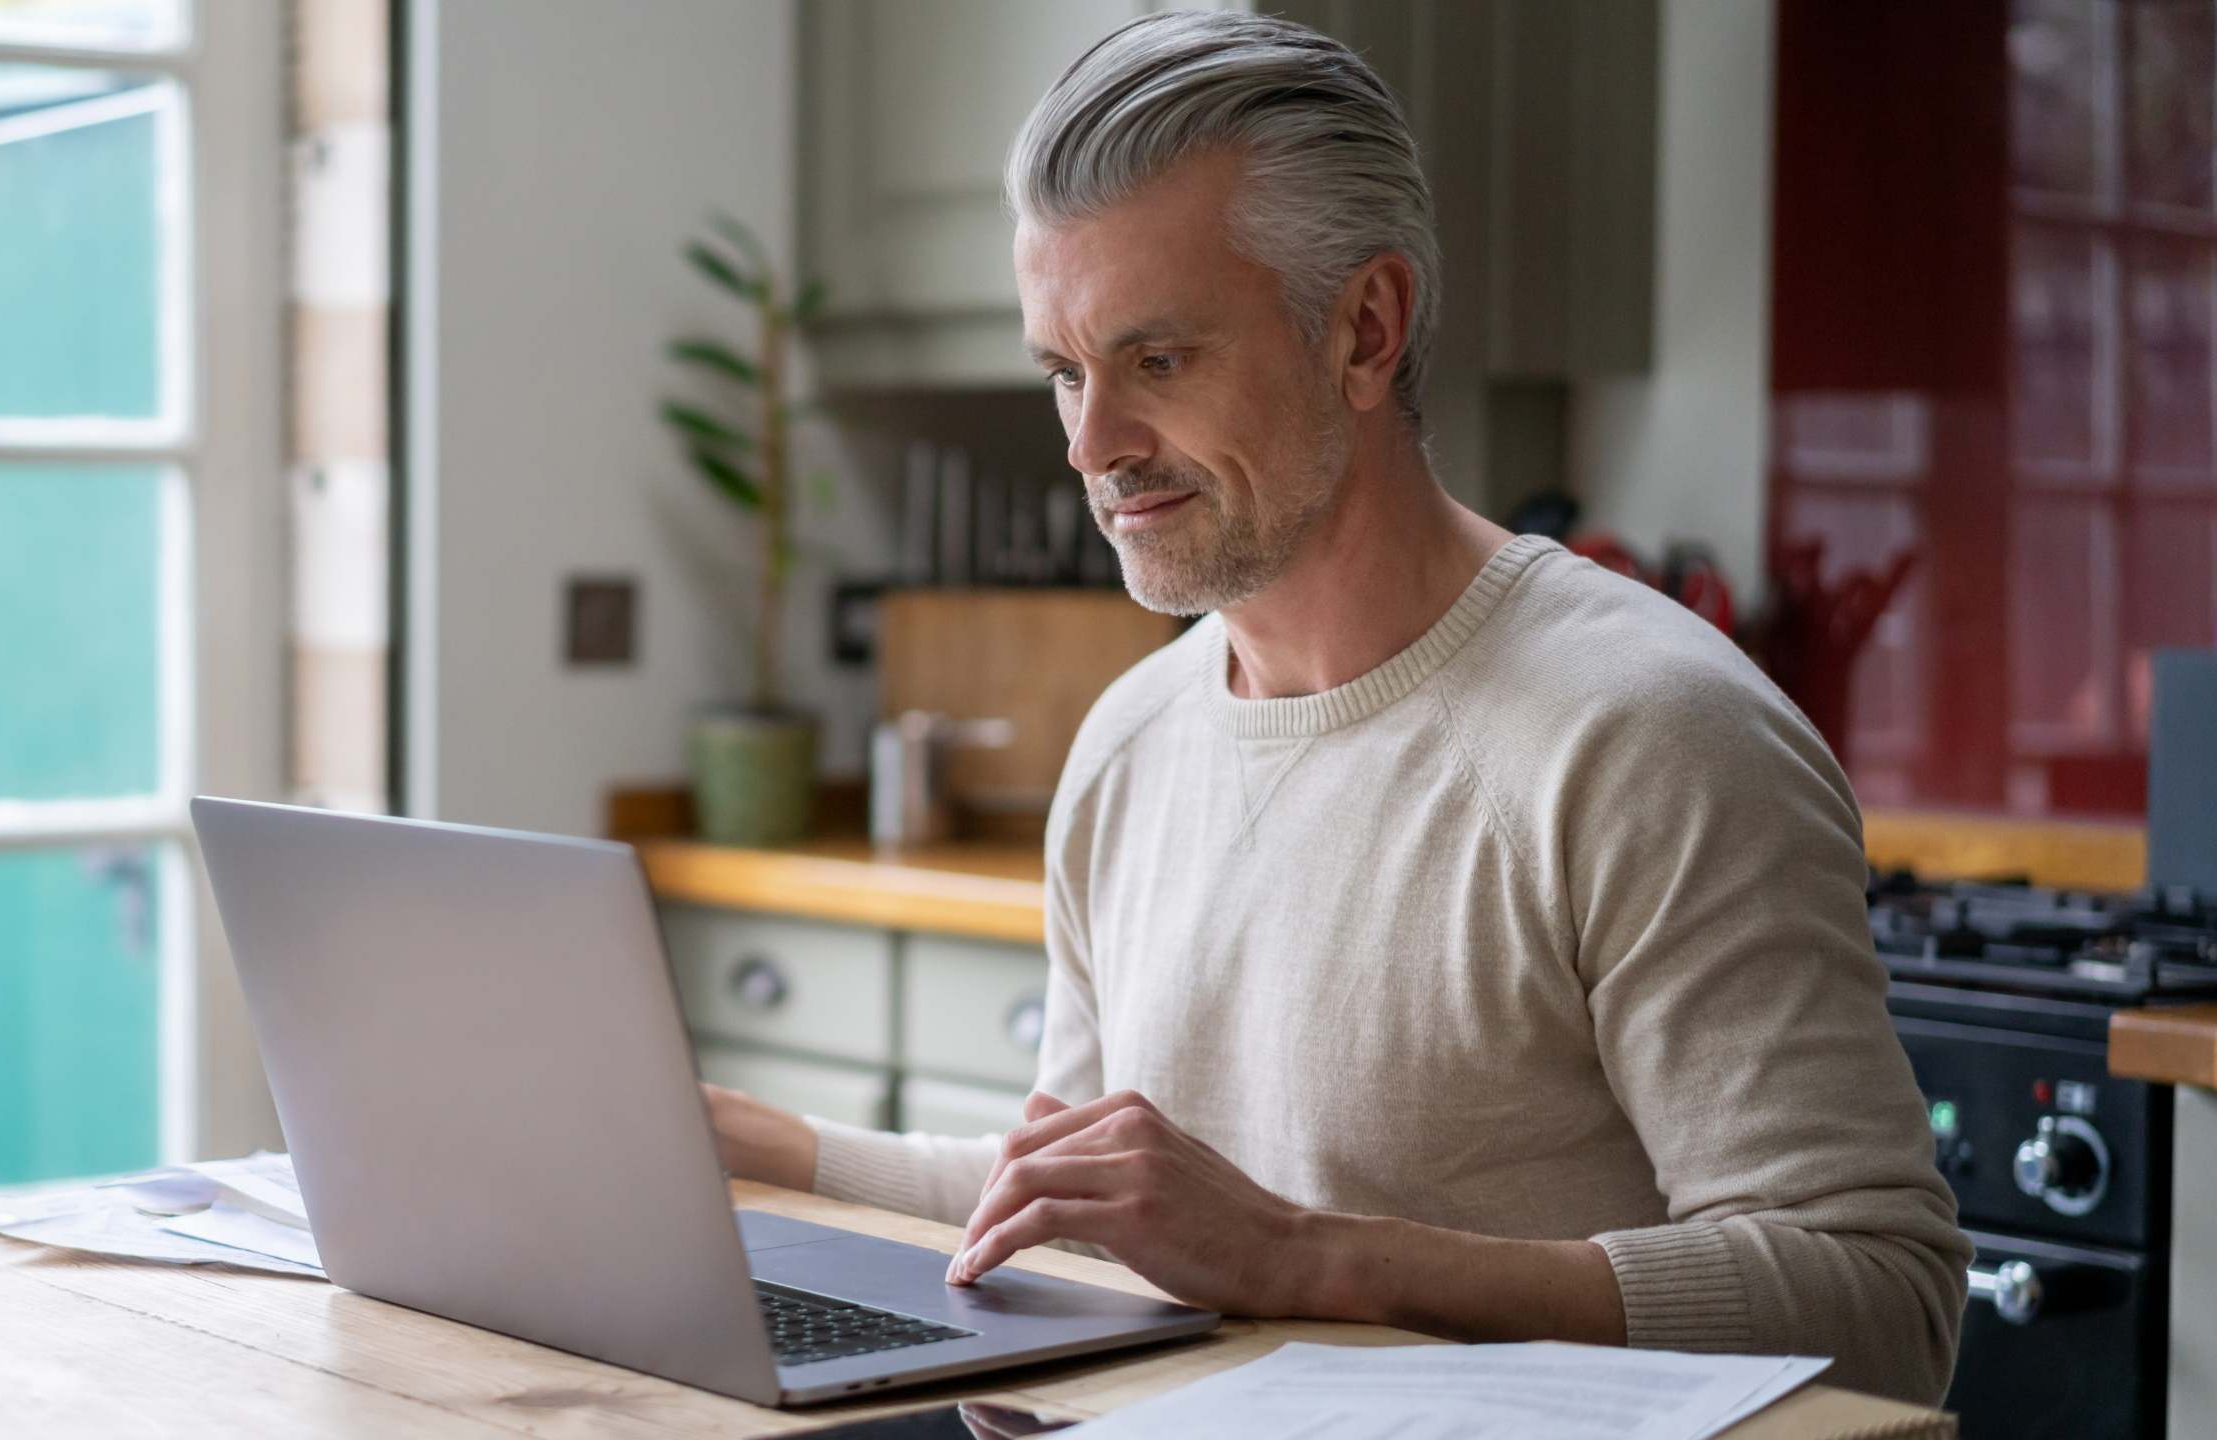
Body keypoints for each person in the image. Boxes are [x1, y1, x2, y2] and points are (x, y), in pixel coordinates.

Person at [704, 10, 1966, 1405]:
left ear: (1366, 329)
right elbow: (1086, 1197)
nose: (1089, 444)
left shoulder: (1650, 736)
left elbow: (1884, 1305)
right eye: (1065, 371)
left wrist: (1326, 1260)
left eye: (1157, 361)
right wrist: (759, 1149)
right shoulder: (1129, 745)